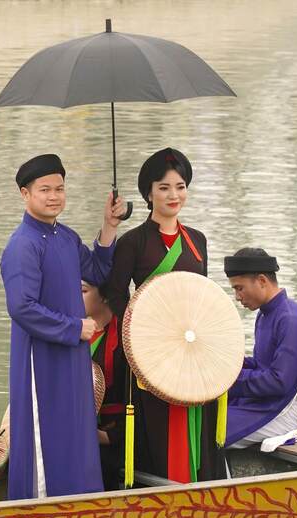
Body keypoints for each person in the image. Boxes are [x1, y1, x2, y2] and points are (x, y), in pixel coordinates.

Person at [1, 153, 126, 500]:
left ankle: (80, 505)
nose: (54, 196)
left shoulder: (66, 237)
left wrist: (109, 226)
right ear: (25, 194)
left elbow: (98, 271)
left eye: (59, 189)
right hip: (40, 359)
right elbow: (21, 307)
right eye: (45, 190)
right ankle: (41, 511)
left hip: (72, 352)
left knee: (77, 430)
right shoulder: (22, 245)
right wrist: (74, 328)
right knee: (46, 433)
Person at [106, 147, 225, 483]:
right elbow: (115, 294)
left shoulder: (197, 240)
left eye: (180, 187)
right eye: (164, 187)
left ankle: (201, 485)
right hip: (151, 355)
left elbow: (204, 296)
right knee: (157, 429)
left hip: (192, 350)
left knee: (198, 419)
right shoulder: (133, 242)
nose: (174, 195)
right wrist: (140, 333)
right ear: (149, 193)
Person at [223, 248, 297, 450]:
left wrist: (229, 380)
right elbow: (263, 364)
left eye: (239, 288)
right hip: (269, 400)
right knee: (205, 413)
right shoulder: (265, 314)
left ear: (261, 280)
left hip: (290, 410)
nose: (237, 296)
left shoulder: (291, 319)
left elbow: (279, 381)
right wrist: (228, 363)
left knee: (209, 432)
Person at [82, 280, 126, 491]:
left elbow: (140, 400)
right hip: (79, 432)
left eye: (83, 290)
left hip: (112, 437)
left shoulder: (126, 337)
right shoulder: (74, 330)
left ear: (105, 296)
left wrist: (108, 437)